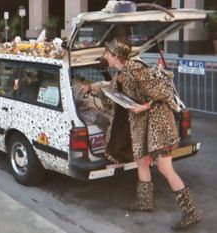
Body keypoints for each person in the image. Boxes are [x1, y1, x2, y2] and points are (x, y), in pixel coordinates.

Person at [80, 37, 201, 230]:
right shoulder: (120, 74)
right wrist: (90, 88)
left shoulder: (136, 70)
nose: (105, 57)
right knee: (142, 161)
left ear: (115, 56)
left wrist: (144, 107)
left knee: (165, 169)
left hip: (158, 128)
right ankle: (144, 203)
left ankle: (190, 212)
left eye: (107, 54)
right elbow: (109, 90)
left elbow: (163, 92)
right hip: (144, 127)